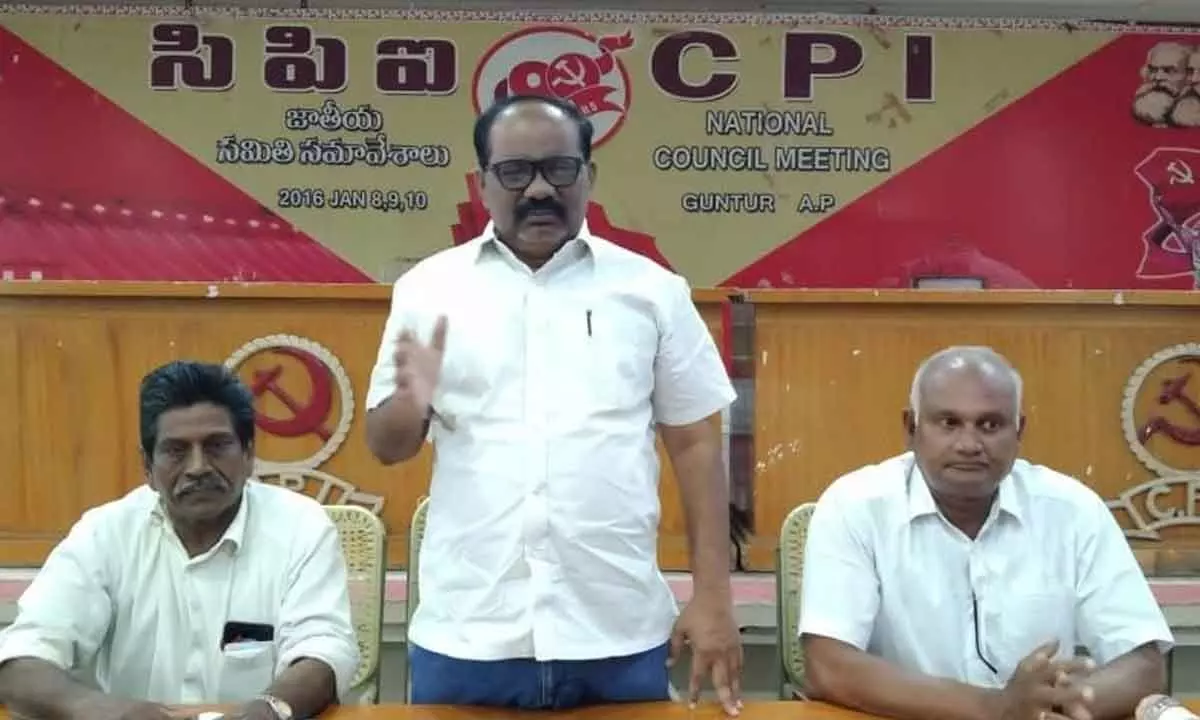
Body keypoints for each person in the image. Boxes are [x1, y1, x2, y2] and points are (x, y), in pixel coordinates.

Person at [364, 94, 742, 713]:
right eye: (515, 172)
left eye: (559, 169)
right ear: (482, 183)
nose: (538, 188)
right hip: (470, 633)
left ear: (588, 176)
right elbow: (387, 446)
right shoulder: (430, 290)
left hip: (617, 632)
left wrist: (714, 597)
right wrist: (414, 398)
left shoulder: (651, 291)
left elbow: (696, 444)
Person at [799, 346, 1172, 720]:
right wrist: (995, 708)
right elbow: (828, 666)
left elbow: (1143, 663)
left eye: (990, 425)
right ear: (911, 428)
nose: (969, 445)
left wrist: (1047, 708)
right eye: (948, 423)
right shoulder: (855, 506)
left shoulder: (1073, 510)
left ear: (1019, 430)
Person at [0, 361, 360, 720]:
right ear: (147, 468)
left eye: (217, 445)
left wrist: (268, 710)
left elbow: (323, 650)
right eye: (176, 450)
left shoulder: (301, 526)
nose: (198, 467)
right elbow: (20, 660)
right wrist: (107, 712)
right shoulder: (104, 534)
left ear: (249, 455)